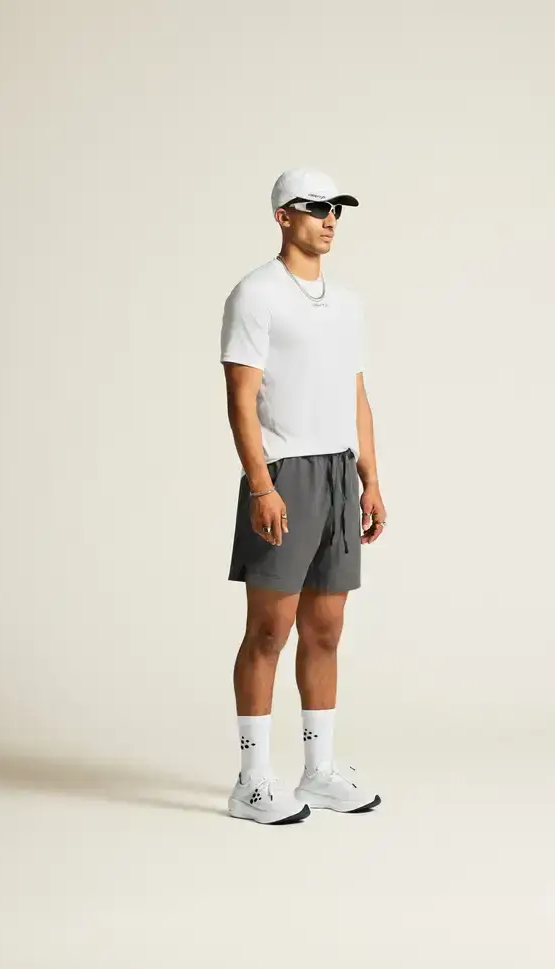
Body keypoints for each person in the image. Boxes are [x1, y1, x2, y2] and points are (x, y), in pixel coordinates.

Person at [220, 167, 387, 825]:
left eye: (336, 208)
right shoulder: (255, 294)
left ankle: (318, 772)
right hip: (284, 472)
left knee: (326, 629)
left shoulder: (347, 303)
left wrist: (371, 478)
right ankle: (252, 782)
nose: (329, 219)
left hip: (339, 472)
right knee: (269, 629)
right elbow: (240, 399)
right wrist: (261, 483)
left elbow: (356, 393)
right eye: (316, 207)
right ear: (283, 216)